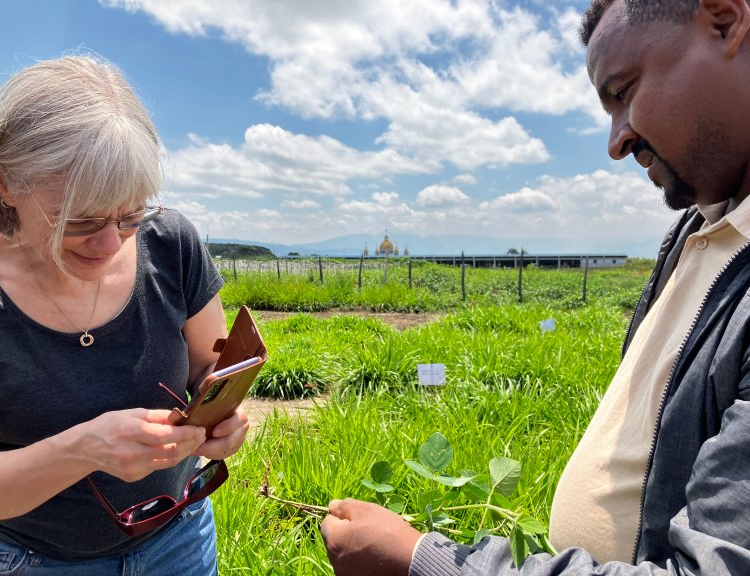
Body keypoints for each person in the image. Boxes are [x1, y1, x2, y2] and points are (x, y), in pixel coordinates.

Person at [321, 0, 750, 573]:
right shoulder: (700, 228)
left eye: (623, 91)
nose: (616, 141)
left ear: (725, 22)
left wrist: (424, 560)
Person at [0, 54, 249, 574]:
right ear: (5, 182)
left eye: (130, 214)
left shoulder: (171, 243)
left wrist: (225, 413)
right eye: (79, 220)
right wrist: (84, 449)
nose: (110, 243)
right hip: (31, 561)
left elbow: (208, 368)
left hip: (180, 536)